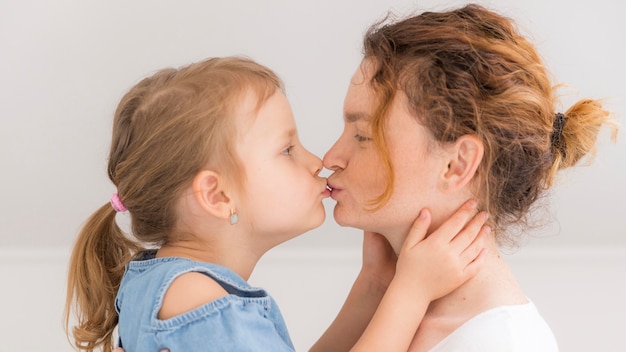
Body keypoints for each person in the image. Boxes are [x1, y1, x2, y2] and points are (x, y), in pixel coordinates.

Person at [64, 56, 490, 352]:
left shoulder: (170, 285)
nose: (317, 161)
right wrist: (411, 291)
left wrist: (374, 286)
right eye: (287, 150)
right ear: (216, 195)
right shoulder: (197, 300)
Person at [312, 3, 617, 351]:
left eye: (363, 136)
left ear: (457, 165)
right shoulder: (388, 311)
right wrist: (375, 286)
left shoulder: (503, 343)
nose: (331, 158)